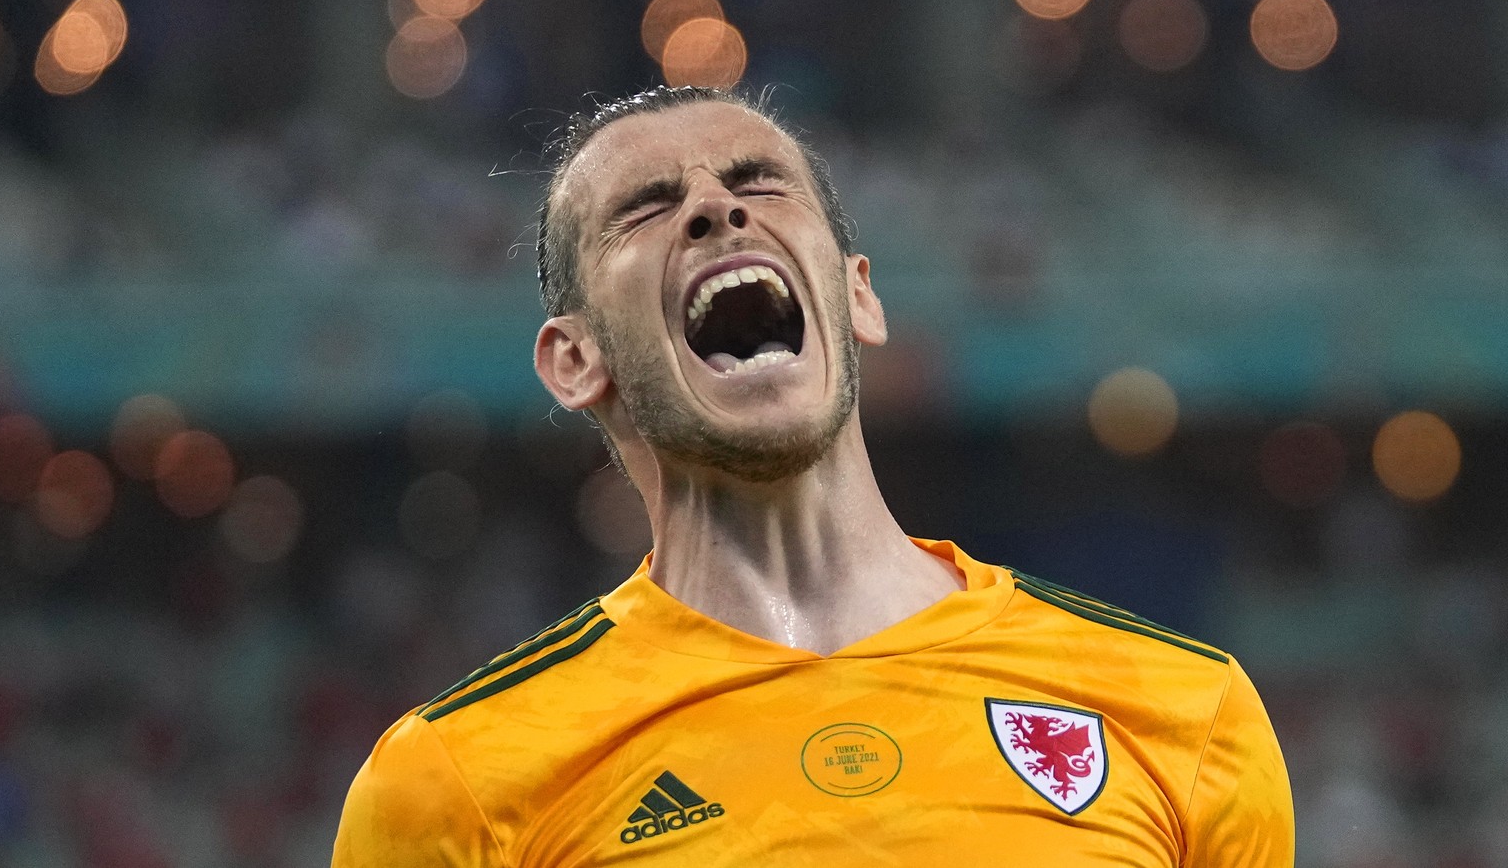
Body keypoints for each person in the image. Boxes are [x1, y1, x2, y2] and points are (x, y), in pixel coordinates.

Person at [331, 86, 1295, 866]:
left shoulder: (1185, 715)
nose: (716, 205)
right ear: (575, 361)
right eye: (648, 208)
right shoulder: (455, 785)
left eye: (759, 182)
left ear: (859, 295)